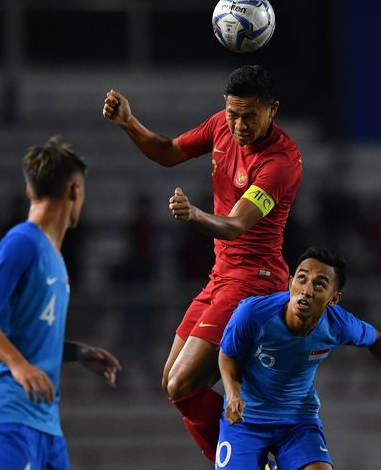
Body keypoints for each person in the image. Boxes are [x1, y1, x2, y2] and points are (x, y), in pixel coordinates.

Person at [102, 65, 302, 462]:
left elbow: (237, 224)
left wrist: (194, 215)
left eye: (249, 116)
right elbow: (168, 151)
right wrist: (129, 122)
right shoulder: (220, 128)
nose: (239, 124)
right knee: (171, 382)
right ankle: (250, 457)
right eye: (233, 114)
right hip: (221, 279)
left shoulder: (281, 161)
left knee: (182, 383)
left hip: (255, 283)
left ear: (272, 110)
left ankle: (247, 459)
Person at [0, 137, 122, 470]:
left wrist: (78, 353)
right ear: (76, 190)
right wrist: (18, 365)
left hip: (45, 425)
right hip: (7, 418)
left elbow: (29, 335)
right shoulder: (23, 242)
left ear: (31, 191)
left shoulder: (54, 258)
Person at [217, 247, 381, 469]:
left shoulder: (338, 324)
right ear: (290, 283)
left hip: (298, 423)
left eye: (319, 284)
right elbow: (227, 355)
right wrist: (233, 393)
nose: (306, 290)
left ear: (333, 298)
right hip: (247, 421)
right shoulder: (253, 314)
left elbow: (377, 341)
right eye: (302, 279)